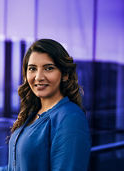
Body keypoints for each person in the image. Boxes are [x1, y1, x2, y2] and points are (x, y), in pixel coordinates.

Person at [7, 39, 91, 171]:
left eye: (49, 68)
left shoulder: (70, 117)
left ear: (65, 75)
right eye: (32, 69)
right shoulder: (33, 113)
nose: (38, 77)